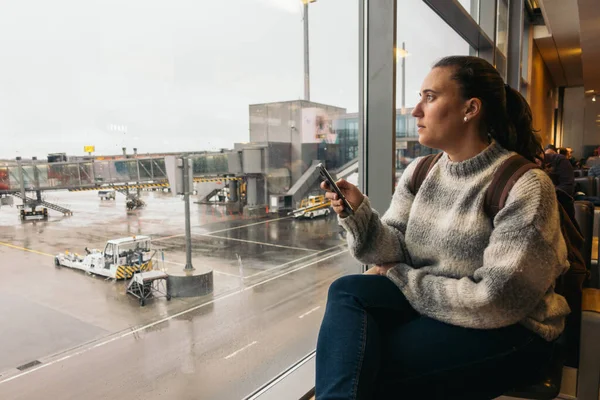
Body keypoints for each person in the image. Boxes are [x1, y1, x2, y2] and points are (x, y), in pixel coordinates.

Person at [316, 56, 569, 400]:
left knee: (368, 367)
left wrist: (400, 277)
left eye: (430, 97)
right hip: (439, 304)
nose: (415, 111)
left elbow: (496, 300)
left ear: (470, 108)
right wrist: (359, 214)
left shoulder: (524, 184)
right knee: (347, 290)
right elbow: (391, 251)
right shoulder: (421, 171)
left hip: (512, 327)